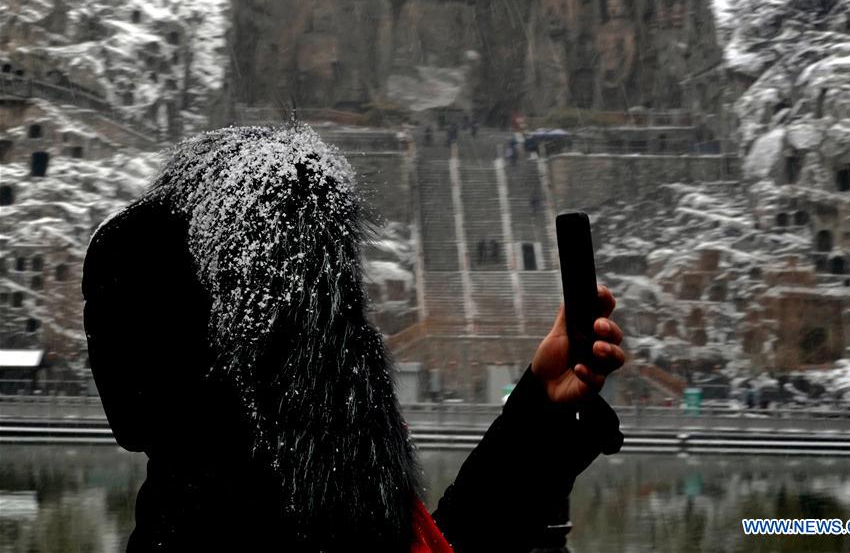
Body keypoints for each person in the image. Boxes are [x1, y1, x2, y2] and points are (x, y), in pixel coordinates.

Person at [82, 124, 625, 552]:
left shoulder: (239, 498)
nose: (354, 338)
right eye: (332, 296)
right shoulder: (258, 503)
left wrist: (537, 416)